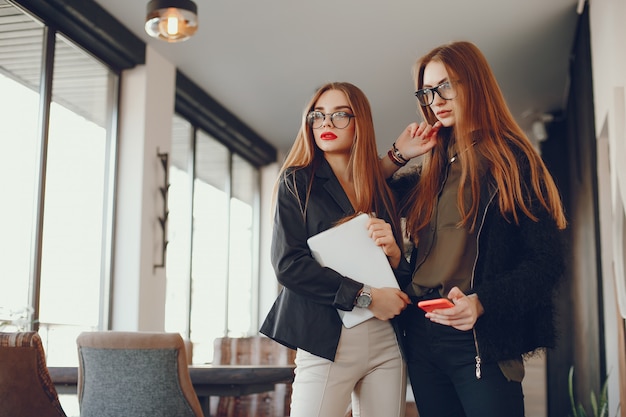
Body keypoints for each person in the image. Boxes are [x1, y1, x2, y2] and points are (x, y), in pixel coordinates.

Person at [381, 41, 568, 417]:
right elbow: (366, 194)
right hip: (421, 332)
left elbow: (546, 262)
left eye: (446, 85)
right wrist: (398, 155)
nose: (436, 100)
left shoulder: (513, 161)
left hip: (479, 339)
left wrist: (482, 302)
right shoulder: (433, 165)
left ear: (475, 84)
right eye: (427, 91)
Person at [260, 82, 412, 417]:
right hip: (326, 338)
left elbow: (400, 272)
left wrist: (396, 257)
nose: (326, 124)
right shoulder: (297, 182)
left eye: (340, 114)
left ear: (361, 123)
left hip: (387, 340)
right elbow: (288, 266)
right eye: (318, 116)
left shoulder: (380, 187)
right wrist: (367, 295)